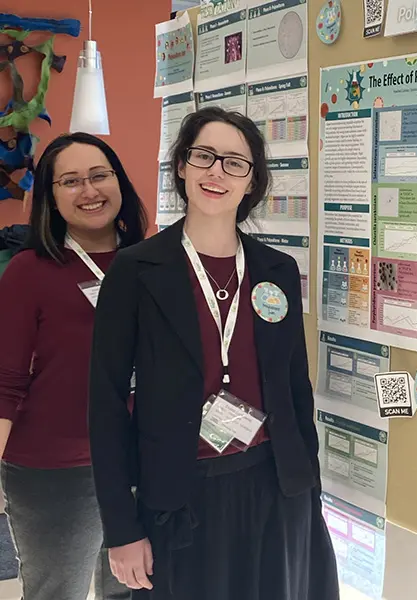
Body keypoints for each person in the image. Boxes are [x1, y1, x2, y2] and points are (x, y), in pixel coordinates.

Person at [89, 106, 339, 600]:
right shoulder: (136, 271)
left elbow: (294, 389)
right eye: (203, 156)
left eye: (234, 163)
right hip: (181, 495)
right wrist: (121, 528)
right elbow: (106, 406)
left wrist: (309, 493)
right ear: (182, 166)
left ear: (252, 182)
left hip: (275, 487)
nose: (216, 172)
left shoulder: (277, 270)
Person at [0, 132, 145, 600]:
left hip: (139, 460)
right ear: (51, 197)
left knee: (134, 588)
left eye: (100, 176)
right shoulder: (30, 271)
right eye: (71, 181)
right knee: (55, 592)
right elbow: (5, 381)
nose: (89, 191)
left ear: (120, 182)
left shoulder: (152, 262)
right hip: (57, 470)